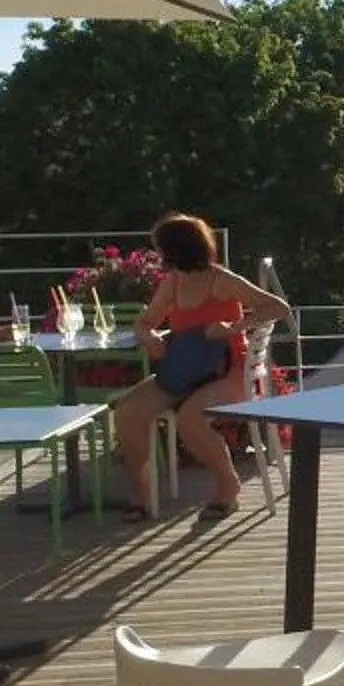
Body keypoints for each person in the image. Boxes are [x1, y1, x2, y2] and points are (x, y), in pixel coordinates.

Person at [112, 213, 290, 519]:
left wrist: (233, 327)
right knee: (127, 411)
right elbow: (144, 322)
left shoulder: (221, 280)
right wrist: (149, 335)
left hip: (229, 371)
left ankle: (227, 486)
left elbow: (278, 307)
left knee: (189, 419)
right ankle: (141, 492)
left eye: (161, 248)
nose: (158, 255)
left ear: (176, 249)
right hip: (186, 369)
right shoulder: (173, 283)